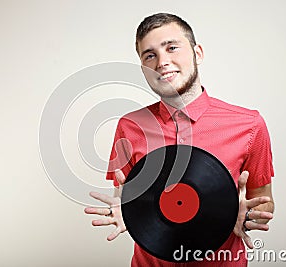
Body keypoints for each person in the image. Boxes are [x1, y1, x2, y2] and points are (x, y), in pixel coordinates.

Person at [84, 13, 274, 266]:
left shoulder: (250, 125)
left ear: (198, 53)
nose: (162, 62)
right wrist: (128, 213)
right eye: (149, 55)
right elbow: (126, 199)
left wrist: (250, 216)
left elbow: (265, 201)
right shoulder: (128, 127)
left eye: (172, 47)